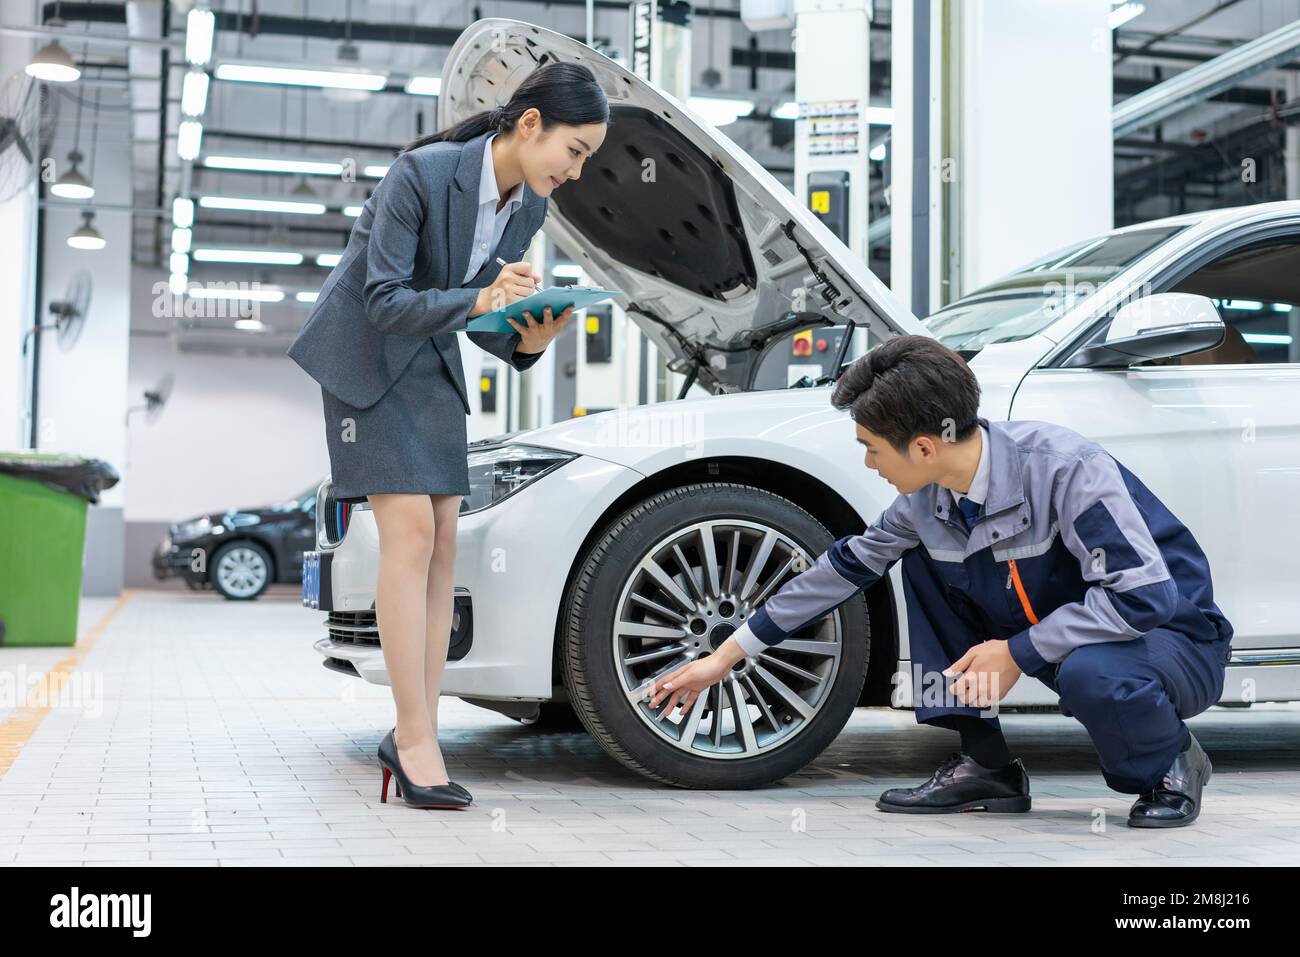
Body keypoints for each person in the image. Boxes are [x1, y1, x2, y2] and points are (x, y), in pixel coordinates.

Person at [650, 335, 1233, 827]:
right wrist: (724, 657)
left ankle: (1171, 763)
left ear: (924, 446)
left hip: (1170, 640)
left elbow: (1146, 595)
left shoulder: (1064, 468)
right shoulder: (927, 501)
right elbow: (841, 570)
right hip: (1059, 632)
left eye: (872, 449)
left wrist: (1018, 651)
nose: (869, 464)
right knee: (923, 560)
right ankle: (987, 767)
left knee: (1091, 672)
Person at [287, 61, 609, 809]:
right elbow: (386, 298)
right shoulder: (421, 175)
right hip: (366, 357)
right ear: (531, 125)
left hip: (428, 361)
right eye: (576, 150)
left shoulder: (528, 208)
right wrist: (482, 296)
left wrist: (535, 332)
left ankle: (416, 726)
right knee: (409, 538)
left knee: (442, 541)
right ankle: (413, 739)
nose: (577, 170)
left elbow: (488, 329)